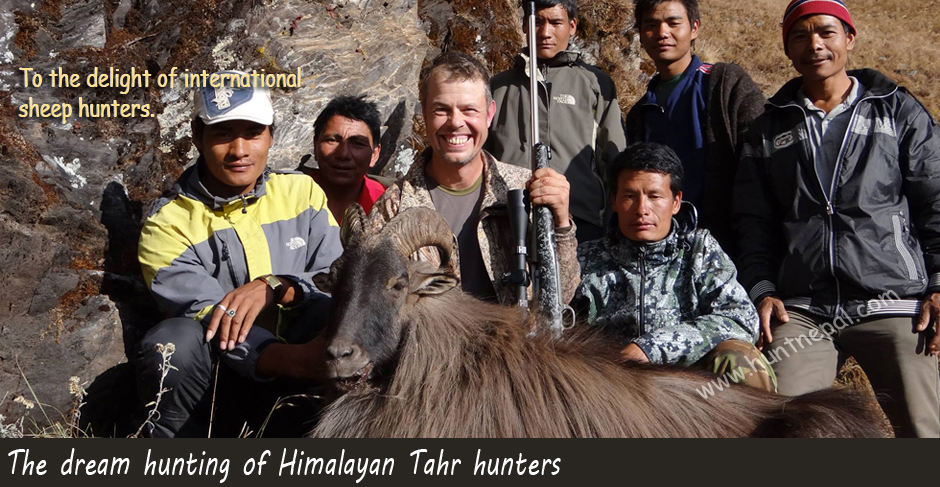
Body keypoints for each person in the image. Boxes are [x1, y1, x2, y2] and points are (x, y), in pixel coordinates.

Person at [734, 0, 940, 437]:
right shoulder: (768, 128)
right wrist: (763, 288)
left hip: (891, 301)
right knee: (782, 425)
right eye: (800, 34)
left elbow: (935, 200)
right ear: (787, 47)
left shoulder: (897, 111)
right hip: (804, 311)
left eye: (826, 32)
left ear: (849, 38)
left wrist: (939, 283)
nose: (815, 44)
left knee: (924, 428)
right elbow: (754, 221)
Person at [135, 71, 342, 437]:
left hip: (309, 365)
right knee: (174, 343)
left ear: (272, 136)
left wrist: (278, 286)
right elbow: (210, 317)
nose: (240, 150)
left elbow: (335, 279)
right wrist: (291, 361)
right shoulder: (165, 224)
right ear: (197, 136)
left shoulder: (301, 193)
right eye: (223, 133)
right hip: (219, 382)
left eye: (252, 132)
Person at [369, 51, 580, 305]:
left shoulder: (528, 190)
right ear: (424, 113)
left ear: (490, 114)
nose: (456, 122)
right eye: (441, 110)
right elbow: (373, 303)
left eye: (469, 109)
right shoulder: (392, 208)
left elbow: (561, 295)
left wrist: (561, 225)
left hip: (514, 342)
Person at [573, 143, 773, 391]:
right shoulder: (586, 258)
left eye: (654, 196)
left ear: (676, 202)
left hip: (690, 390)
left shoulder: (700, 250)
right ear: (613, 200)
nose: (642, 209)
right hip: (612, 391)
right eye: (629, 196)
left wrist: (653, 348)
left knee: (739, 358)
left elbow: (741, 319)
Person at [625, 0, 764, 258]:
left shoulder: (724, 85)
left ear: (694, 28)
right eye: (651, 25)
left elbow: (760, 157)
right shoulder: (639, 113)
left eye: (673, 22)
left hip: (730, 248)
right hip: (664, 254)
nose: (662, 33)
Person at [486, 0, 627, 243]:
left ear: (572, 26)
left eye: (555, 22)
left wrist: (614, 220)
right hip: (508, 219)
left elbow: (615, 158)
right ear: (523, 25)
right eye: (537, 22)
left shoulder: (595, 84)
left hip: (580, 220)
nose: (545, 32)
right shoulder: (497, 87)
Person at [299, 95, 388, 225]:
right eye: (332, 140)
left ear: (374, 154)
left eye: (357, 143)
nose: (343, 154)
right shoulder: (291, 197)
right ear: (315, 146)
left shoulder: (387, 205)